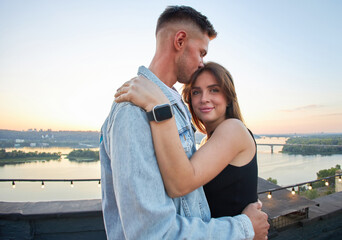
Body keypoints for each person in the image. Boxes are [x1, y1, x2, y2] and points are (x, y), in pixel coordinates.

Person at [100, 5, 269, 240]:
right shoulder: (134, 110)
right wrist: (243, 226)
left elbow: (188, 193)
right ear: (180, 40)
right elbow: (153, 234)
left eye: (214, 90)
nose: (202, 62)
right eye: (201, 52)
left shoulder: (164, 106)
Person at [115, 62, 258, 218]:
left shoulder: (234, 129)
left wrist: (157, 104)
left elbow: (179, 185)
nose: (204, 99)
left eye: (214, 90)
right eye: (196, 92)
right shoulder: (205, 143)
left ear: (229, 98)